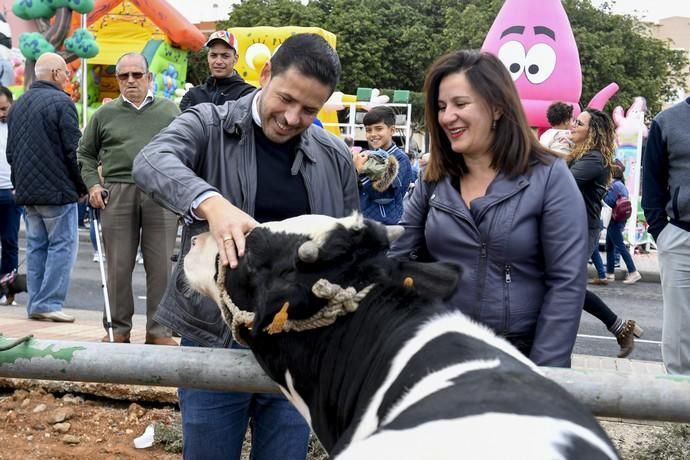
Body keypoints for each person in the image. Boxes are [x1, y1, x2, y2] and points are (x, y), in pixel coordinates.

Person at [133, 34, 358, 459]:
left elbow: (346, 248)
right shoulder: (209, 124)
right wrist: (212, 205)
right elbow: (150, 161)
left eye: (310, 110)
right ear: (265, 74)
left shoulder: (334, 157)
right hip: (215, 337)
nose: (292, 117)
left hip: (295, 346)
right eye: (286, 99)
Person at [388, 50, 587, 367]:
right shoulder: (434, 178)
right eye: (441, 107)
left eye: (460, 104)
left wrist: (544, 375)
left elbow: (566, 282)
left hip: (518, 357)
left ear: (497, 107)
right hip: (439, 355)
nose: (446, 117)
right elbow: (397, 254)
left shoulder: (549, 175)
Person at [77, 52, 180, 345]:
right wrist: (93, 185)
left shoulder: (170, 111)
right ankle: (118, 329)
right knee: (118, 266)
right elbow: (84, 153)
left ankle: (159, 332)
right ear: (118, 80)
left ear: (149, 77)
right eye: (124, 76)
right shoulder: (104, 115)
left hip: (161, 191)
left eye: (137, 75)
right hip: (117, 191)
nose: (131, 81)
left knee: (161, 266)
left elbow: (188, 150)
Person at [6, 52, 87, 322]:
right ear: (55, 74)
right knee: (62, 246)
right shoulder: (62, 103)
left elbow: (11, 152)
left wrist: (20, 184)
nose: (67, 76)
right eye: (65, 72)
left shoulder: (18, 105)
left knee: (36, 246)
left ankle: (36, 304)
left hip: (27, 192)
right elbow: (73, 151)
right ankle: (50, 303)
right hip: (58, 191)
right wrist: (83, 185)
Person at [569, 108, 642, 357]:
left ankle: (620, 327)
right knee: (566, 286)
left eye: (578, 122)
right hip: (570, 228)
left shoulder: (594, 159)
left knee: (568, 287)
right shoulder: (583, 154)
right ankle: (620, 327)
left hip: (581, 231)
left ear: (592, 131)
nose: (573, 125)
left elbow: (561, 179)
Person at [642, 97, 690, 375]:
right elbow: (652, 182)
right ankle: (680, 407)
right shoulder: (667, 121)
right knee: (680, 328)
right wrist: (661, 231)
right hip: (681, 236)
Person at [353, 105, 412, 224]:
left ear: (392, 130)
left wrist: (362, 173)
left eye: (378, 128)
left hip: (385, 225)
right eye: (368, 130)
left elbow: (384, 196)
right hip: (361, 222)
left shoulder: (401, 159)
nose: (373, 134)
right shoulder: (365, 156)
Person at [179, 30, 254, 111]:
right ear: (208, 57)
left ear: (235, 59)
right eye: (213, 55)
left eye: (225, 56)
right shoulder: (192, 95)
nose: (218, 61)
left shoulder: (248, 95)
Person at [603, 159, 641, 284]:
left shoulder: (614, 186)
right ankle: (610, 273)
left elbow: (609, 202)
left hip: (614, 220)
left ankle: (633, 272)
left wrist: (603, 195)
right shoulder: (621, 185)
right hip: (619, 220)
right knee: (610, 246)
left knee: (620, 246)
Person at [0, 85, 20, 301]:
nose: (1, 114)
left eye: (4, 108)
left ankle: (8, 291)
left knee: (10, 243)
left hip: (12, 192)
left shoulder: (18, 125)